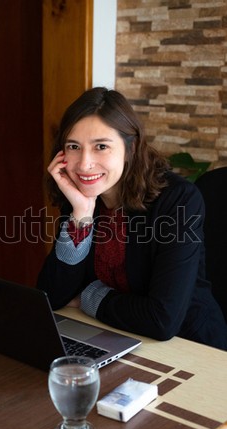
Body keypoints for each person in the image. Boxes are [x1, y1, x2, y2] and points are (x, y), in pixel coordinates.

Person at [37, 87, 227, 350]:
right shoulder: (82, 197)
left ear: (130, 148)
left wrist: (88, 296)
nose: (84, 164)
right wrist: (81, 215)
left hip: (190, 346)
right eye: (73, 147)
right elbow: (52, 295)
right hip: (117, 336)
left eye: (101, 146)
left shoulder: (177, 199)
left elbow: (162, 320)